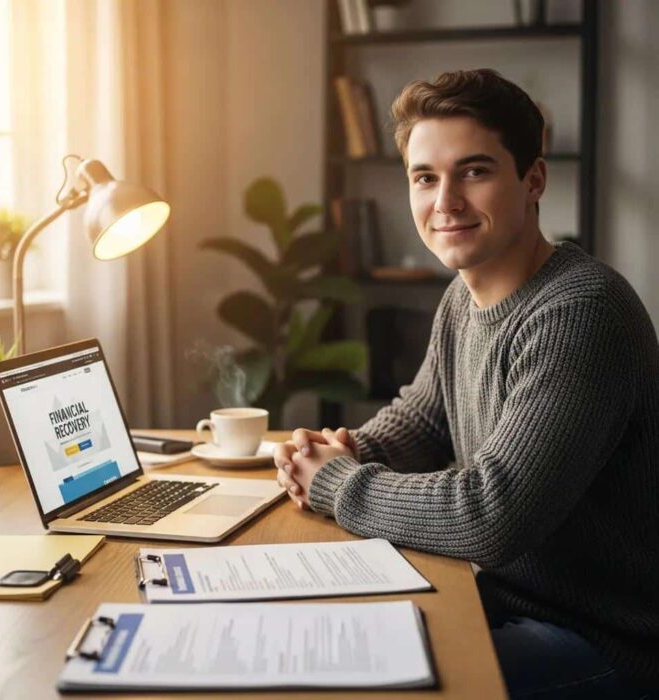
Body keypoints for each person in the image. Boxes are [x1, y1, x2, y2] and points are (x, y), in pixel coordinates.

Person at [274, 69, 659, 699]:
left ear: (533, 179)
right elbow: (424, 420)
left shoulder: (582, 312)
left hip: (600, 640)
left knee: (348, 683)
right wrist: (346, 450)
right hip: (497, 599)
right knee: (311, 638)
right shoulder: (464, 296)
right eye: (425, 178)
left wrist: (338, 482)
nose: (445, 201)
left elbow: (491, 514)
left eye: (474, 171)